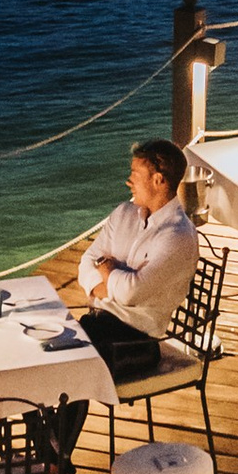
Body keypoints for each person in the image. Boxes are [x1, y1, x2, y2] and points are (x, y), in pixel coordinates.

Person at [78, 139, 200, 332]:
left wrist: (107, 270)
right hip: (96, 320)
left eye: (135, 174)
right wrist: (107, 288)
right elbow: (86, 261)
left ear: (158, 180)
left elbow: (130, 293)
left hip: (135, 337)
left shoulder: (178, 236)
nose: (129, 181)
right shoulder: (124, 213)